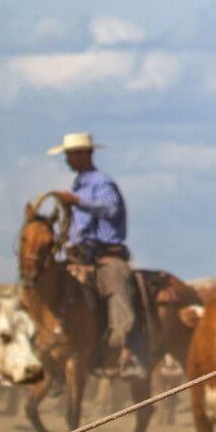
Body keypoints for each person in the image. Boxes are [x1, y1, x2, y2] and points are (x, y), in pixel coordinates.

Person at [47, 130, 139, 376]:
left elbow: (110, 209)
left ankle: (126, 350)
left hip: (106, 253)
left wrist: (77, 202)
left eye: (71, 155)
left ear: (85, 154)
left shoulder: (101, 182)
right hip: (80, 253)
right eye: (67, 155)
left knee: (115, 289)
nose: (67, 160)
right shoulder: (79, 184)